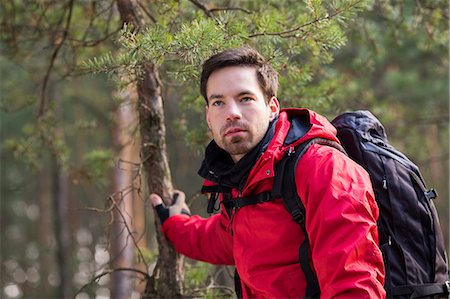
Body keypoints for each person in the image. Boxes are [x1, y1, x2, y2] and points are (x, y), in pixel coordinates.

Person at [150, 47, 386, 298]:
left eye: (245, 98)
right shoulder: (242, 178)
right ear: (208, 116)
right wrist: (175, 224)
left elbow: (354, 285)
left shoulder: (323, 168)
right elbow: (226, 239)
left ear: (272, 106)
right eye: (219, 102)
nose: (232, 113)